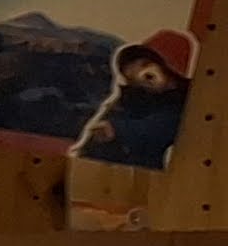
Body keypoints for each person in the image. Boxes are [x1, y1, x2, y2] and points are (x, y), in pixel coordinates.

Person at [74, 30, 194, 169]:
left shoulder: (191, 103)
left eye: (146, 64)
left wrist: (119, 130)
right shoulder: (131, 104)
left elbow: (164, 126)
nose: (143, 75)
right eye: (132, 77)